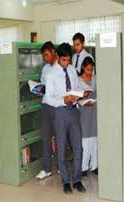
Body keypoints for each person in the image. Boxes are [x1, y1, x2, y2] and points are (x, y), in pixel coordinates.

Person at [43, 43, 88, 194]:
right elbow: (48, 98)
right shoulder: (51, 74)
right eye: (63, 60)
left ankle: (77, 180)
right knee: (61, 150)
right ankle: (65, 182)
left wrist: (82, 95)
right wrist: (64, 100)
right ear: (57, 57)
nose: (66, 63)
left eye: (68, 60)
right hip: (60, 114)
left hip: (74, 112)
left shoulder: (72, 70)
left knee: (78, 148)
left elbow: (75, 87)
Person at [36, 41, 58, 180]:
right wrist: (38, 90)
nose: (45, 58)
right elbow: (43, 86)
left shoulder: (61, 67)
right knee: (46, 138)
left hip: (58, 107)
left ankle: (61, 167)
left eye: (47, 55)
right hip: (46, 106)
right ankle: (46, 169)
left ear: (53, 52)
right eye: (44, 56)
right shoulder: (45, 69)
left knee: (60, 138)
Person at [78, 57, 98, 177]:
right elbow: (75, 96)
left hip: (95, 111)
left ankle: (94, 166)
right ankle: (83, 167)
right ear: (83, 68)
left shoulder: (96, 79)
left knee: (95, 139)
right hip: (84, 112)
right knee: (85, 140)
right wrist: (83, 100)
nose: (90, 72)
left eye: (91, 70)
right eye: (87, 70)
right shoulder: (78, 81)